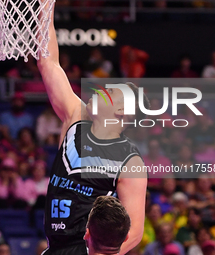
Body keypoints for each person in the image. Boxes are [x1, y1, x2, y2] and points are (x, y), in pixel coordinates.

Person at [37, 6, 148, 255]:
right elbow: (48, 62)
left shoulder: (130, 162)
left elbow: (134, 232)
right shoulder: (75, 115)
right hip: (55, 247)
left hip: (84, 249)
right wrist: (46, 7)